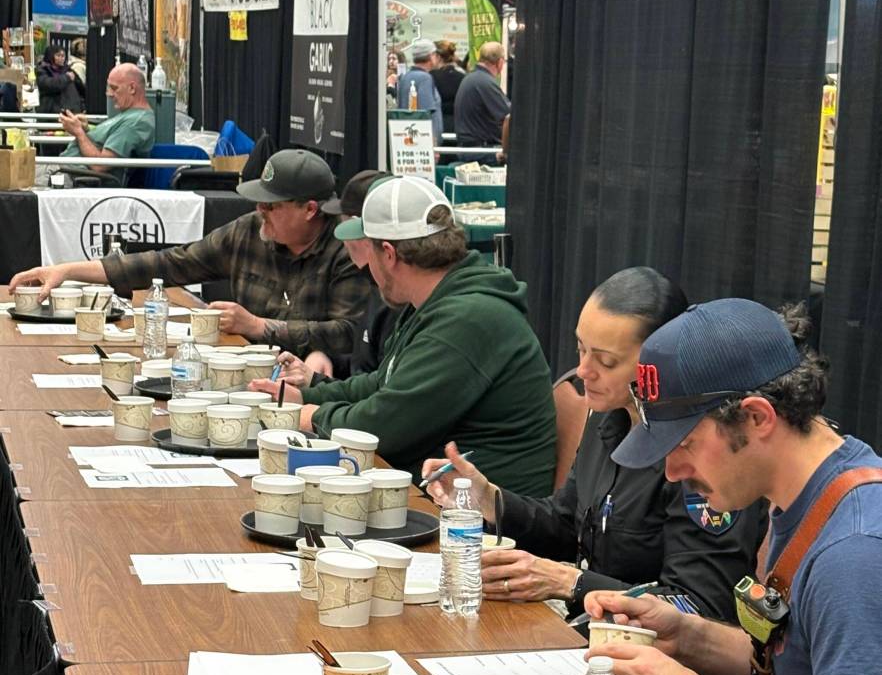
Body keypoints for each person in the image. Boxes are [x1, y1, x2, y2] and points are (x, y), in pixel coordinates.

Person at [580, 297, 882, 675]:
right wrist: (685, 637)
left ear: (757, 417)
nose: (670, 472)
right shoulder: (803, 492)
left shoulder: (852, 555)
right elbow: (802, 664)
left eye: (685, 442)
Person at [423, 268, 767, 623]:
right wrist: (492, 500)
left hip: (654, 654)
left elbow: (699, 606)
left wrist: (574, 583)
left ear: (658, 364)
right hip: (587, 632)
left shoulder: (700, 453)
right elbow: (568, 522)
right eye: (580, 349)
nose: (584, 370)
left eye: (606, 361)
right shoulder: (608, 414)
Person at [251, 176, 557, 497]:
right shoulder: (438, 300)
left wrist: (312, 417)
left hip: (477, 519)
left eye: (367, 251)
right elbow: (383, 384)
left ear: (388, 253)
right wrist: (311, 391)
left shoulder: (467, 317)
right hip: (441, 493)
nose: (366, 266)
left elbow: (383, 425)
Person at [9, 149, 370, 355]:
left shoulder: (345, 251)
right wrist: (65, 270)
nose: (260, 211)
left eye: (271, 206)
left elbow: (348, 333)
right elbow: (169, 263)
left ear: (309, 209)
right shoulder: (248, 232)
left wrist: (259, 327)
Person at [275, 168, 399, 386]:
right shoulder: (377, 285)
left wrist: (316, 386)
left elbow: (382, 391)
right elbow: (365, 361)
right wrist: (325, 358)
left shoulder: (397, 296)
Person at [56, 62, 154, 183]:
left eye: (114, 88)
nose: (109, 94)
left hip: (78, 180)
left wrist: (79, 133)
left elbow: (100, 165)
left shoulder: (136, 122)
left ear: (132, 88)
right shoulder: (129, 115)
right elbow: (105, 141)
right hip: (68, 172)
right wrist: (86, 129)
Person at [454, 41, 511, 156]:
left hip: (469, 148)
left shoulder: (470, 78)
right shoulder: (485, 82)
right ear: (500, 62)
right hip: (482, 151)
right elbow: (508, 115)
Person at [397, 39, 443, 144]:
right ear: (431, 56)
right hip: (423, 142)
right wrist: (433, 144)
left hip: (408, 138)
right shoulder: (425, 78)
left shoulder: (405, 77)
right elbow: (426, 112)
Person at [36, 44, 84, 115]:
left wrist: (82, 107)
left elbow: (81, 89)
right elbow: (49, 84)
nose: (61, 58)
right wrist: (66, 78)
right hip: (51, 113)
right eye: (58, 56)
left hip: (71, 112)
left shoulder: (68, 70)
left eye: (63, 56)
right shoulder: (43, 70)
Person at [431, 39, 465, 136]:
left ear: (438, 57)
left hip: (437, 125)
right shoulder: (462, 76)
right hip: (459, 127)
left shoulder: (431, 77)